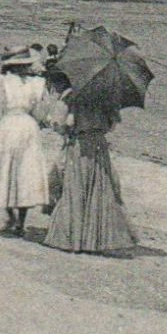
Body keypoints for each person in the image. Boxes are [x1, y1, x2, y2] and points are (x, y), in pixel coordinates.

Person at [45, 71, 137, 254]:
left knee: (76, 188)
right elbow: (111, 126)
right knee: (99, 188)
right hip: (99, 146)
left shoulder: (73, 97)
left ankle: (74, 239)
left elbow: (62, 124)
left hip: (80, 146)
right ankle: (97, 239)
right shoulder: (105, 97)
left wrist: (61, 127)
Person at [0, 50, 53, 236]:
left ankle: (9, 213)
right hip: (28, 128)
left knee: (5, 168)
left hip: (8, 126)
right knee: (26, 173)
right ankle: (20, 222)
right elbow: (41, 113)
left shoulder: (1, 82)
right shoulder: (38, 84)